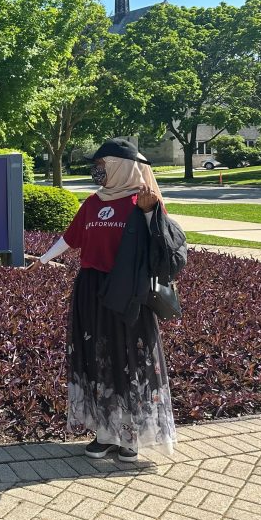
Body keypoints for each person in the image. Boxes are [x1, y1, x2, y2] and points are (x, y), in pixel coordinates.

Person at [27, 139, 177, 462]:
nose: (97, 170)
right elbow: (71, 237)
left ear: (121, 166)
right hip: (92, 290)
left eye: (102, 164)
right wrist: (42, 259)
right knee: (99, 359)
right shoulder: (93, 203)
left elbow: (161, 247)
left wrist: (150, 214)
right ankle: (106, 432)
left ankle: (129, 436)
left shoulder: (143, 202)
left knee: (128, 362)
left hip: (127, 293)